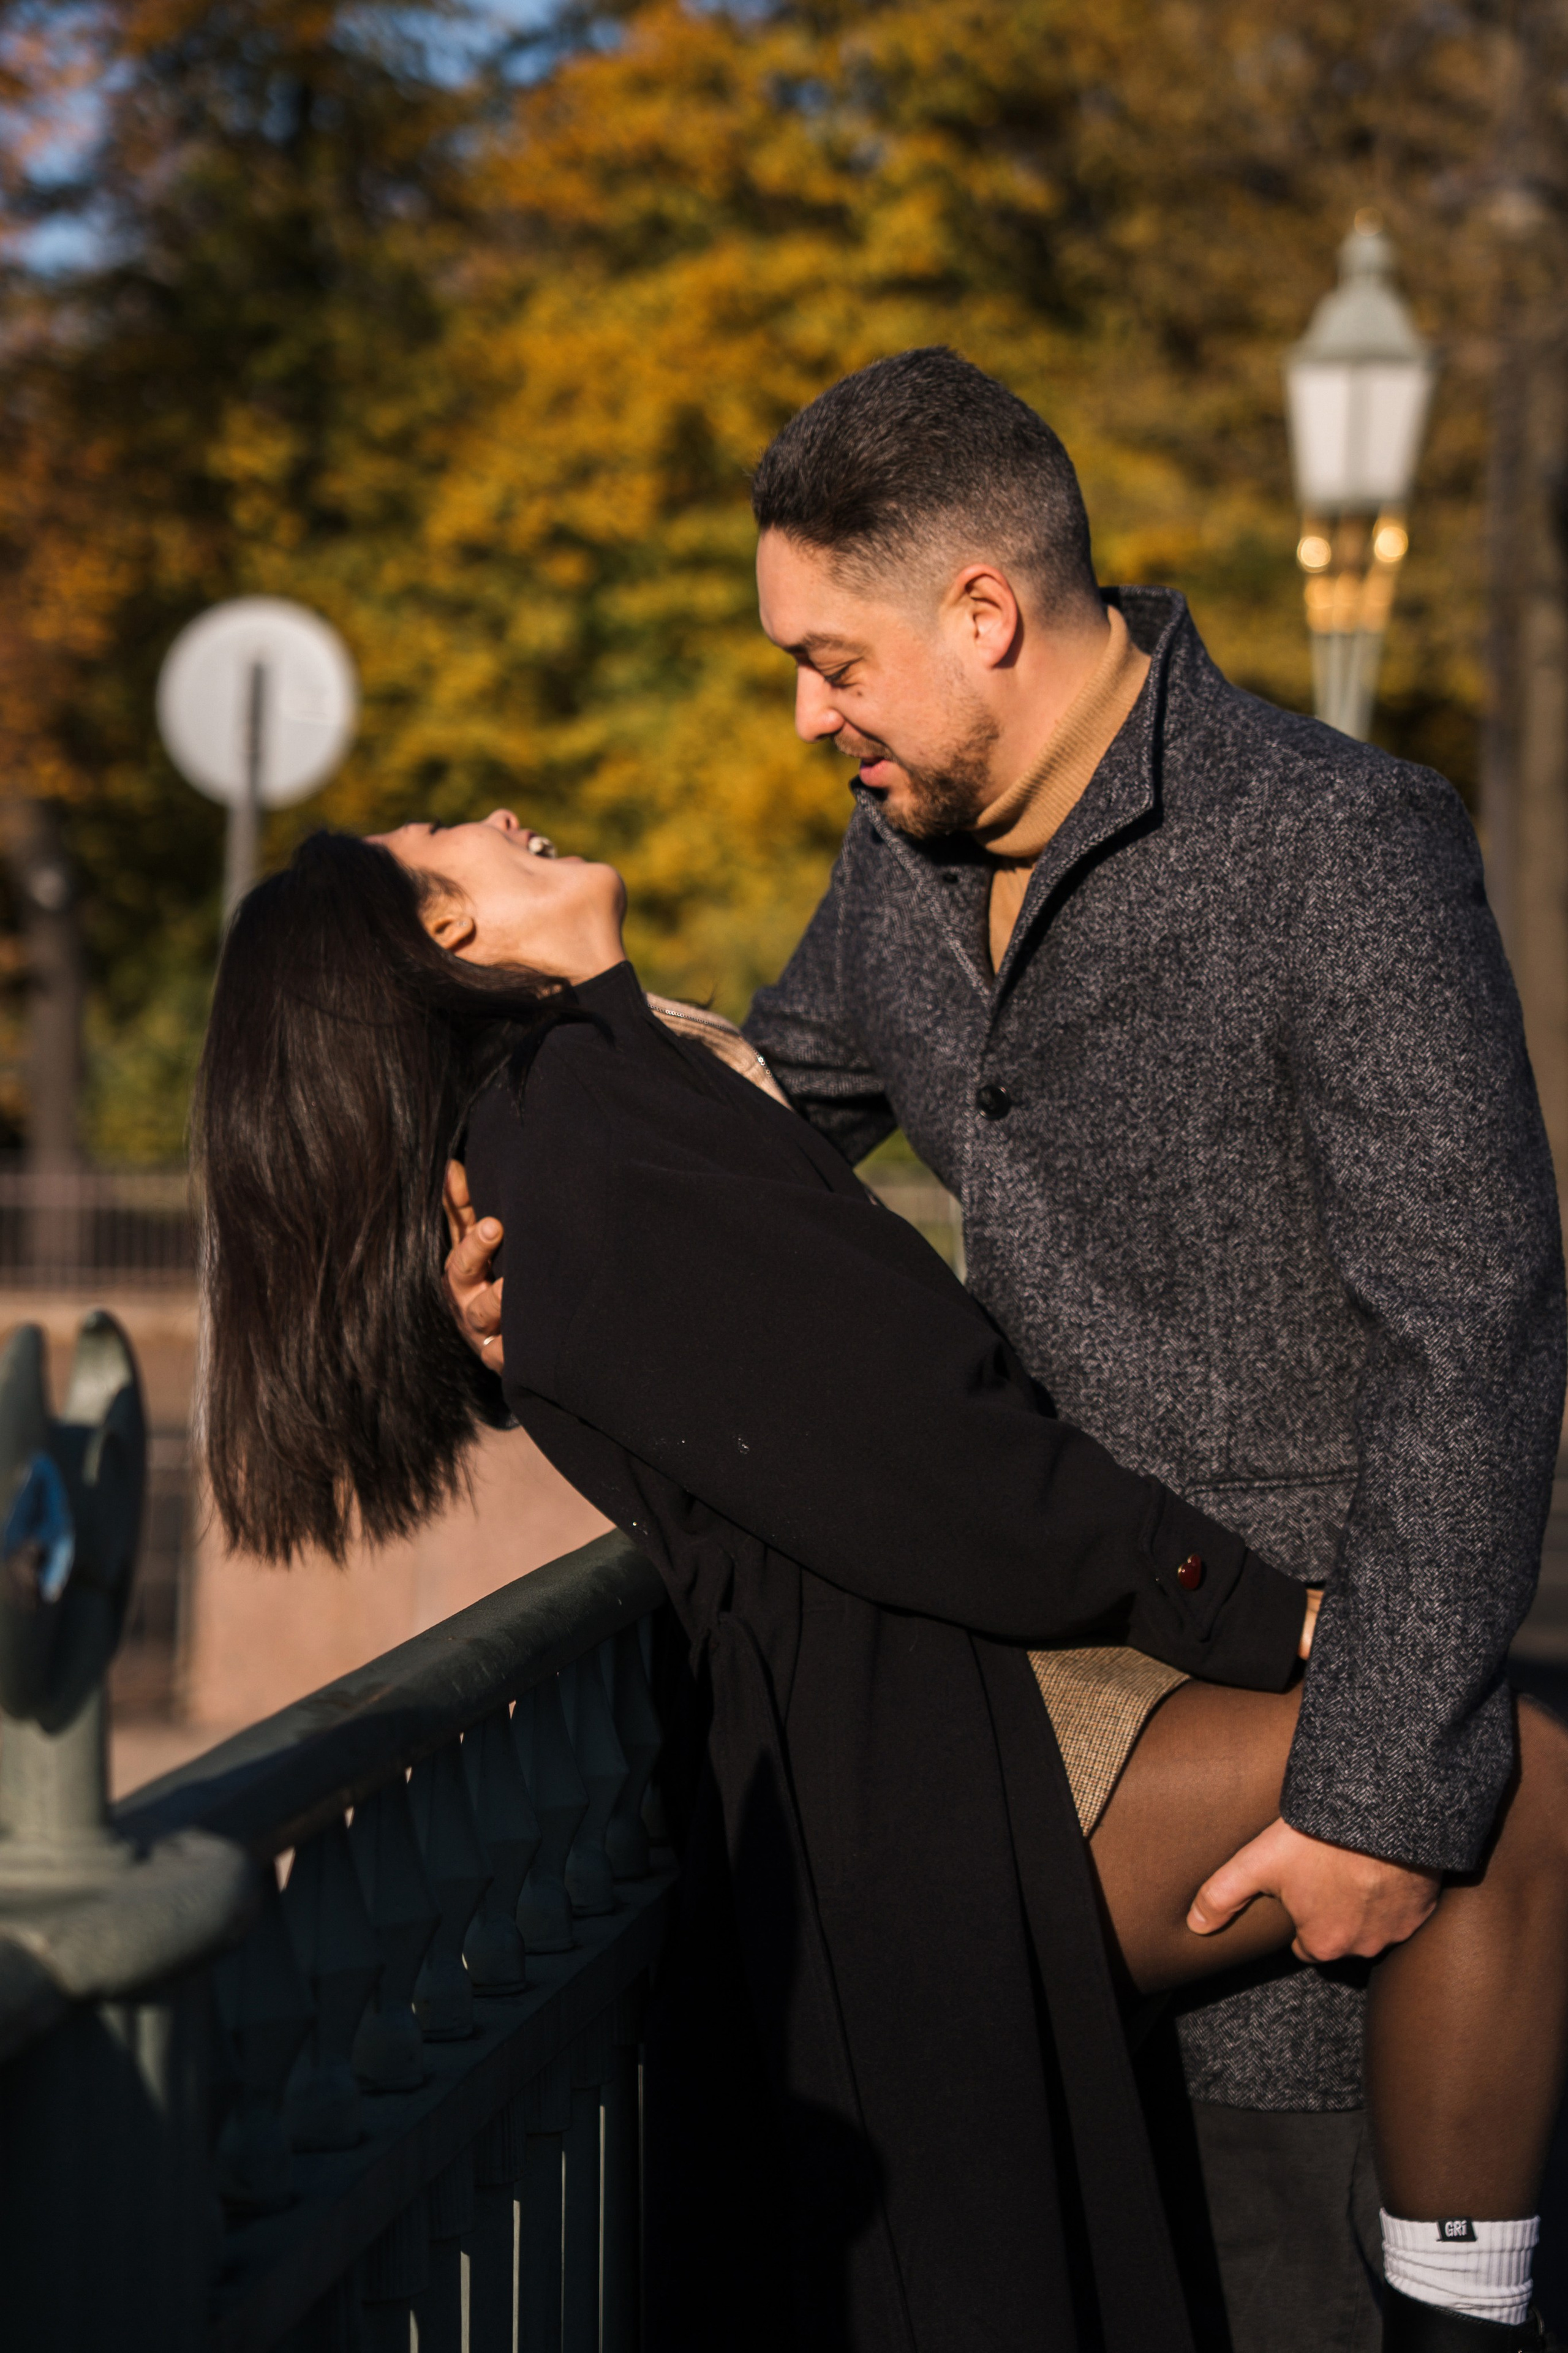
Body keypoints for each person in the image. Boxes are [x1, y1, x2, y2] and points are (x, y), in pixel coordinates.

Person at [200, 816, 1568, 2353]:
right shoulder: (576, 1127)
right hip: (926, 1766)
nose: (497, 815)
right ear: (444, 935)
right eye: (444, 833)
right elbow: (926, 1458)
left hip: (947, 1714)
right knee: (1504, 1784)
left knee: (1485, 1772)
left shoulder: (608, 1085)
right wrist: (1259, 1608)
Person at [726, 345, 1567, 2351]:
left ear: (986, 612)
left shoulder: (1339, 845)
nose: (804, 713)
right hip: (1039, 1777)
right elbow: (772, 1115)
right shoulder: (901, 857)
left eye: (831, 659)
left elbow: (1479, 1321)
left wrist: (1379, 1795)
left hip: (1319, 1857)